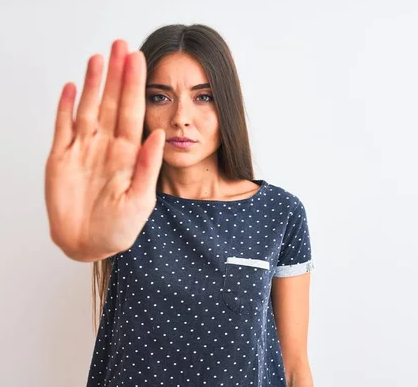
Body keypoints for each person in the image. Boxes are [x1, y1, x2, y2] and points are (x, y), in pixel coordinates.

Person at [44, 23, 315, 387]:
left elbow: (294, 363)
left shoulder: (279, 212)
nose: (181, 118)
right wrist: (80, 243)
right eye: (160, 97)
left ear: (227, 105)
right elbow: (97, 241)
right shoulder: (123, 207)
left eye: (203, 97)